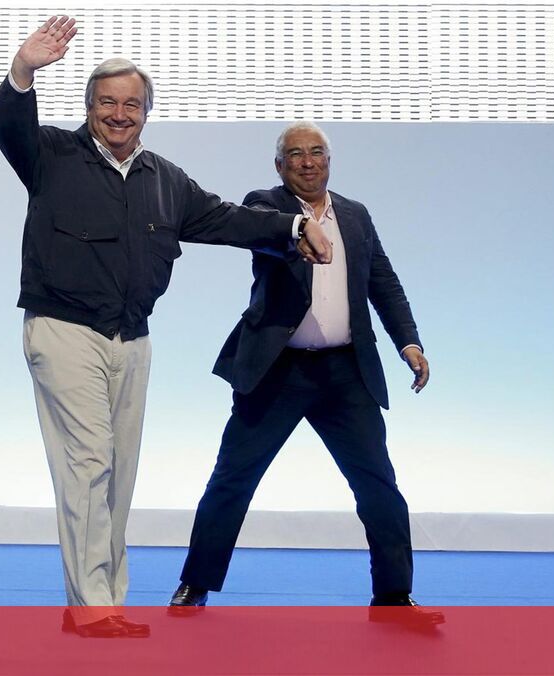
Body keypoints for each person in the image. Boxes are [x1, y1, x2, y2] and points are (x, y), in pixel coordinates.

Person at [0, 16, 332, 638]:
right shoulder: (52, 155)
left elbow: (228, 219)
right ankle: (92, 607)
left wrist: (291, 226)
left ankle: (102, 602)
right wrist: (23, 71)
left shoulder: (165, 179)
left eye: (131, 104)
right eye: (107, 102)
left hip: (133, 338)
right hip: (64, 331)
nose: (119, 114)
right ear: (89, 106)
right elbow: (7, 126)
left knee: (118, 471)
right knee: (88, 463)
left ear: (146, 112)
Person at [169, 122, 444, 627]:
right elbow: (263, 231)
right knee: (233, 478)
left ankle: (393, 596)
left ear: (329, 161)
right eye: (295, 154)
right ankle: (196, 584)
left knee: (378, 485)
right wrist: (298, 231)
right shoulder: (265, 205)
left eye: (317, 152)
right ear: (280, 165)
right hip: (277, 371)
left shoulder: (356, 215)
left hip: (346, 373)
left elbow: (383, 282)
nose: (308, 161)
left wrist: (409, 342)